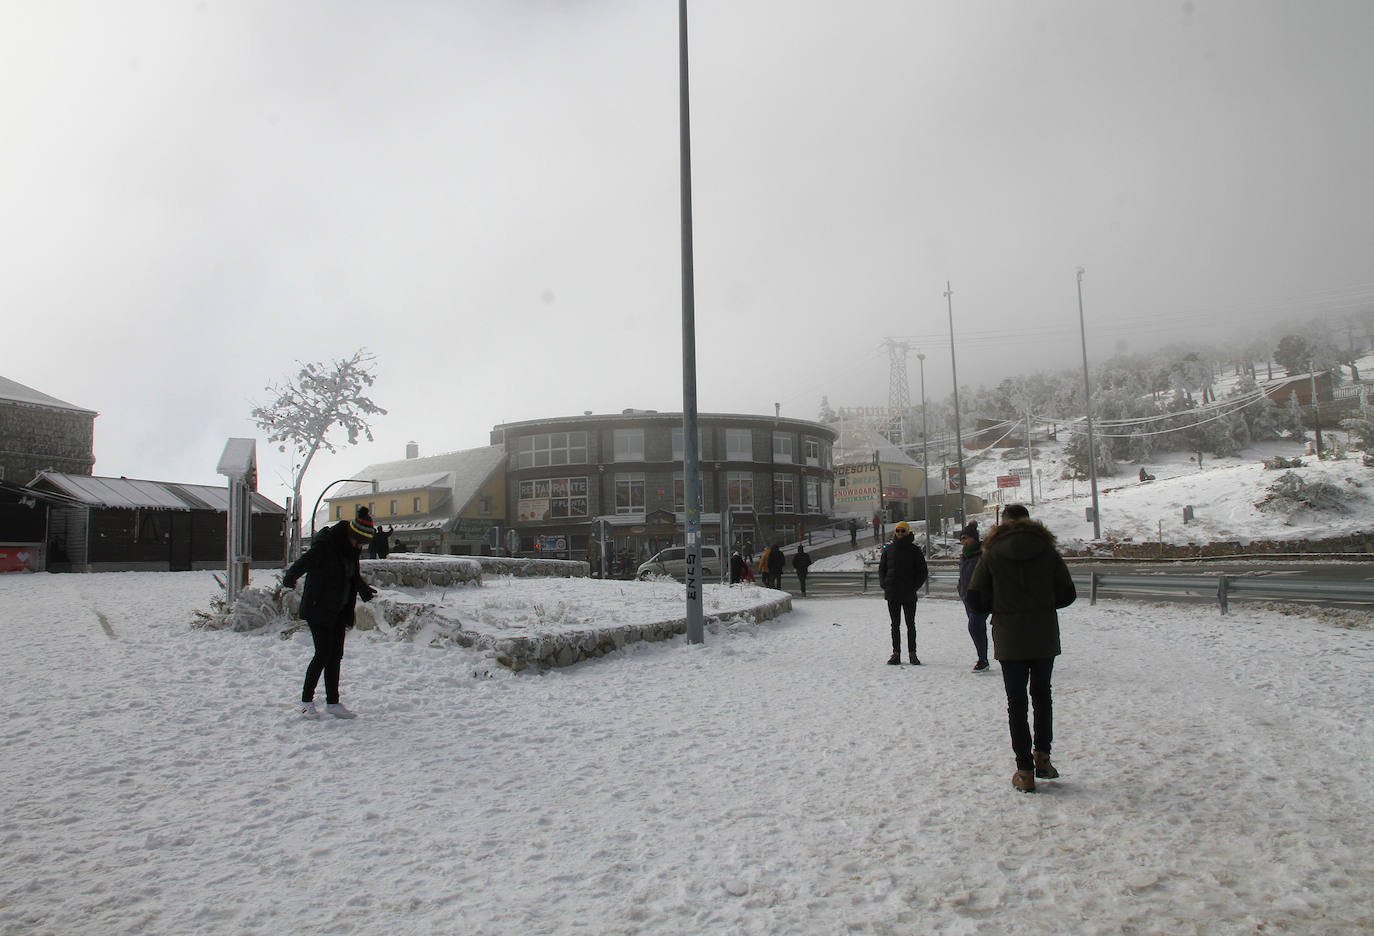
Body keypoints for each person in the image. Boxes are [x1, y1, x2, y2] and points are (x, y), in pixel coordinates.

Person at [966, 503, 1077, 793]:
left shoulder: (991, 553)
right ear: (1029, 521)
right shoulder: (1047, 550)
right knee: (1042, 697)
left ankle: (1024, 771)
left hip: (1010, 637)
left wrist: (1001, 607)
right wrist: (1041, 605)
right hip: (1043, 636)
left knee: (1016, 703)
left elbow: (975, 598)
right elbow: (1068, 594)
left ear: (1003, 523)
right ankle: (1043, 758)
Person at [282, 506, 379, 719]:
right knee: (322, 654)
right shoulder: (327, 545)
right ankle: (306, 702)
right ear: (352, 536)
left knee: (336, 656)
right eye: (360, 542)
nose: (361, 547)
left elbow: (352, 574)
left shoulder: (350, 549)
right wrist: (290, 577)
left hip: (338, 608)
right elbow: (304, 562)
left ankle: (333, 703)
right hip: (318, 607)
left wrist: (363, 590)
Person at [877, 520, 928, 665]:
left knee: (910, 624)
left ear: (907, 532)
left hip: (909, 593)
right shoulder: (889, 550)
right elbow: (882, 568)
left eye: (902, 531)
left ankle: (912, 653)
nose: (900, 533)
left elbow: (922, 571)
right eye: (898, 531)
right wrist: (884, 583)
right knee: (895, 625)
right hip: (892, 593)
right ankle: (896, 653)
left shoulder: (914, 550)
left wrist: (914, 587)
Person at [956, 521, 989, 672]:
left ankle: (982, 659)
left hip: (981, 598)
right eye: (962, 538)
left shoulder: (983, 554)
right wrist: (961, 589)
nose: (964, 541)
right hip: (967, 598)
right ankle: (983, 658)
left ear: (974, 538)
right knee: (978, 628)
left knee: (974, 626)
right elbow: (963, 576)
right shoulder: (965, 556)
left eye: (966, 538)